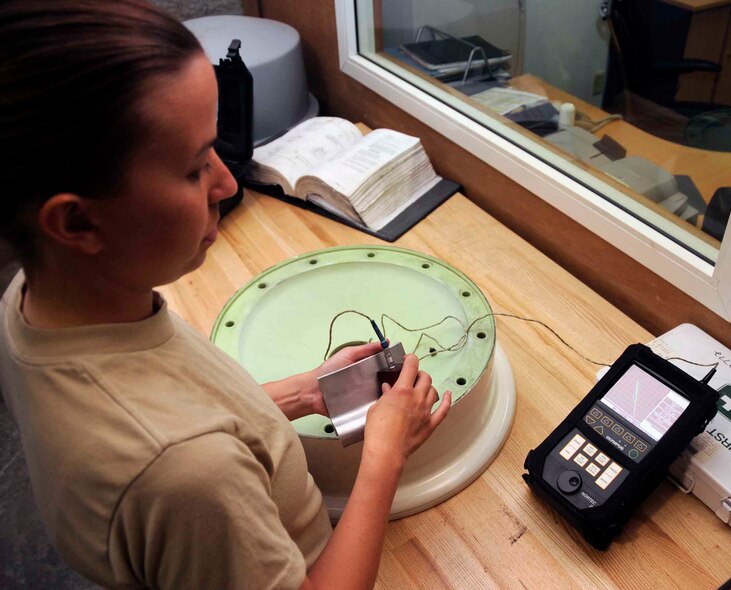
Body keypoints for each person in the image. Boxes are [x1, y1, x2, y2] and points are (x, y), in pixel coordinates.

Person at [0, 1, 451, 588]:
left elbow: (179, 407)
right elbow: (180, 454)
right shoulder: (189, 476)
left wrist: (302, 393)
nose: (228, 182)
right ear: (78, 224)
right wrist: (384, 459)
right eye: (193, 169)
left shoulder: (34, 300)